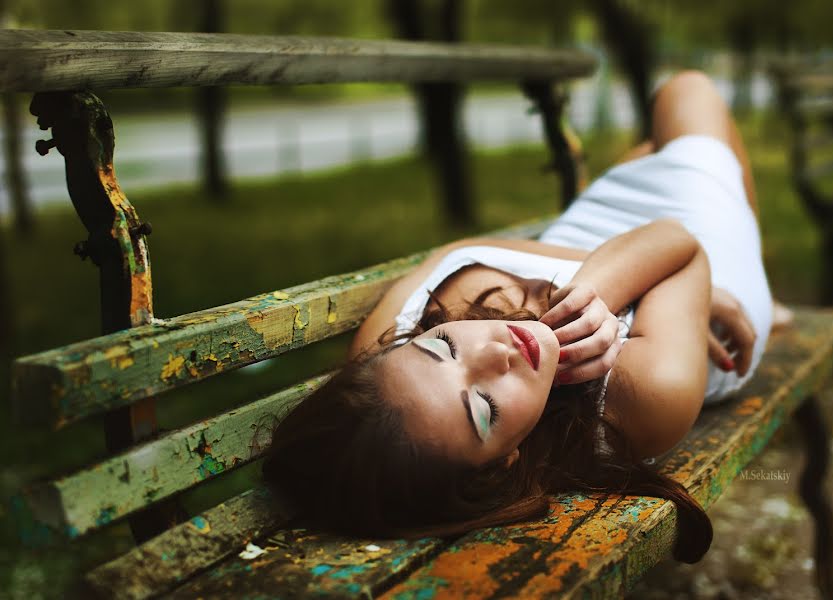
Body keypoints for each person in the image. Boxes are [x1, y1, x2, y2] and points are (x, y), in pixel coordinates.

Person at [263, 71, 784, 563]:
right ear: (502, 465)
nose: (496, 350)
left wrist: (596, 282)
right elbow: (678, 242)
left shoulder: (390, 386)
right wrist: (633, 293)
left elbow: (461, 250)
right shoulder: (646, 394)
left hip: (592, 235)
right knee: (687, 93)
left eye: (442, 346)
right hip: (699, 263)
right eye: (484, 408)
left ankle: (719, 200)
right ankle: (750, 254)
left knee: (656, 152)